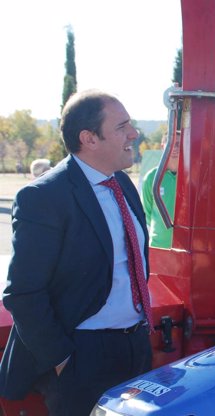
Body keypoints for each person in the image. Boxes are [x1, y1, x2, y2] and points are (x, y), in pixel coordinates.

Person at [0, 90, 153, 415]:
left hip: (136, 346)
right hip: (83, 355)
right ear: (89, 138)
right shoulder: (44, 197)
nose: (134, 133)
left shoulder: (123, 184)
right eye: (122, 126)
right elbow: (24, 293)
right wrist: (62, 361)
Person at [142, 131, 180, 248]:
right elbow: (148, 212)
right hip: (158, 246)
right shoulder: (151, 177)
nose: (174, 148)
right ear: (163, 146)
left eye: (178, 144)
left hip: (184, 247)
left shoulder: (191, 177)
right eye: (170, 143)